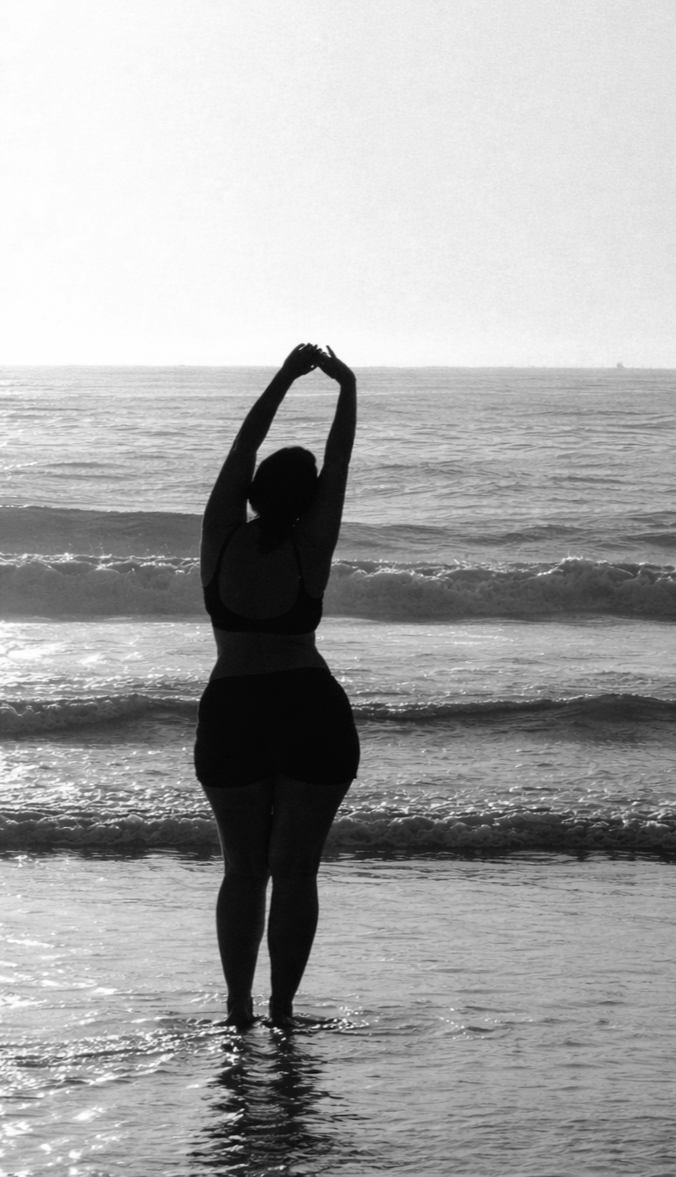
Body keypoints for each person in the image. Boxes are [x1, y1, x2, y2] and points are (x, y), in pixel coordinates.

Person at [194, 343, 359, 1030]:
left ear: (255, 493)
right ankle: (283, 1012)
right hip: (306, 709)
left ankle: (237, 1009)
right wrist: (347, 387)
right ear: (309, 500)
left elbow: (243, 445)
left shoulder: (220, 537)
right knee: (294, 872)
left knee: (243, 871)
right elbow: (340, 459)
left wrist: (285, 379)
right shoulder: (311, 543)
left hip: (233, 710)